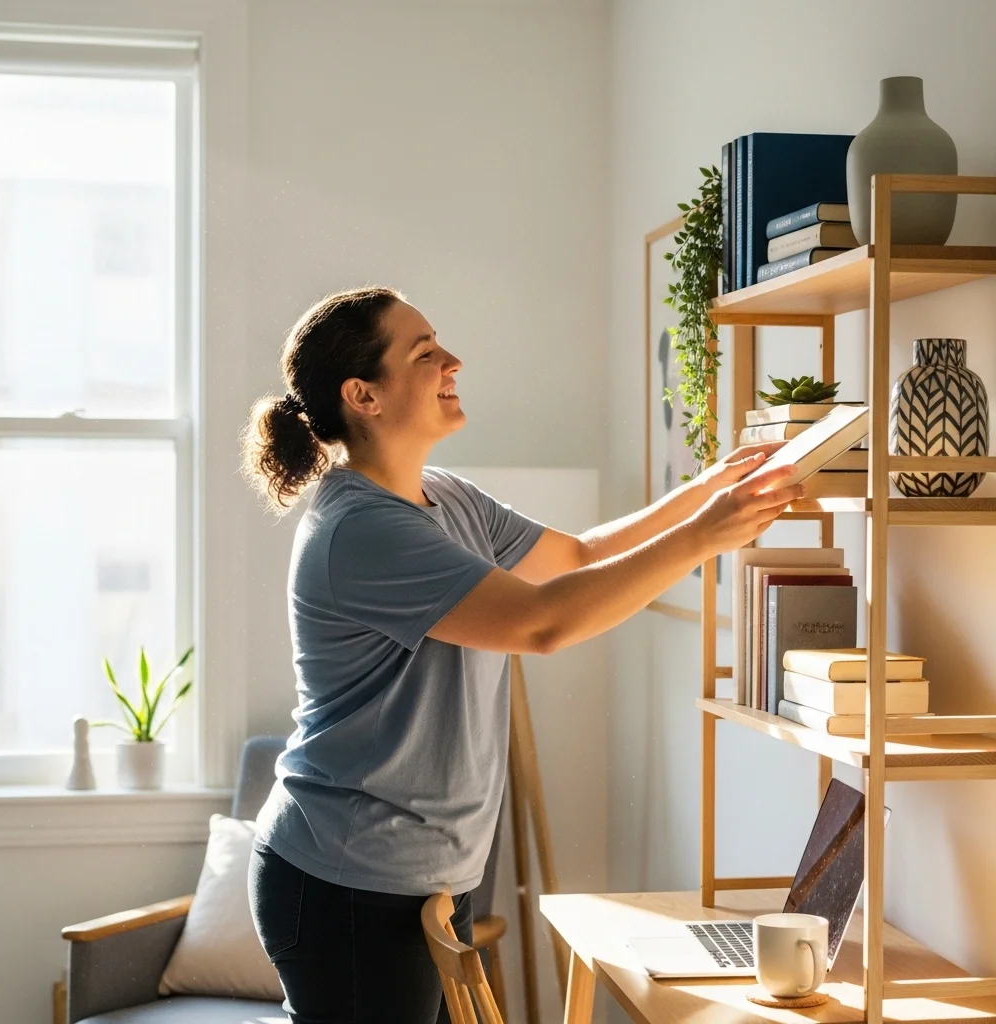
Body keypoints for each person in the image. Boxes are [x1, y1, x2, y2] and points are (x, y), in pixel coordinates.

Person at [242, 286, 802, 1024]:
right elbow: (543, 624)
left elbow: (577, 556)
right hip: (350, 883)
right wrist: (704, 537)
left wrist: (704, 494)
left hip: (424, 877)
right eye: (424, 353)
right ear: (363, 396)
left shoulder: (445, 498)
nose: (453, 361)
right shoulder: (360, 531)